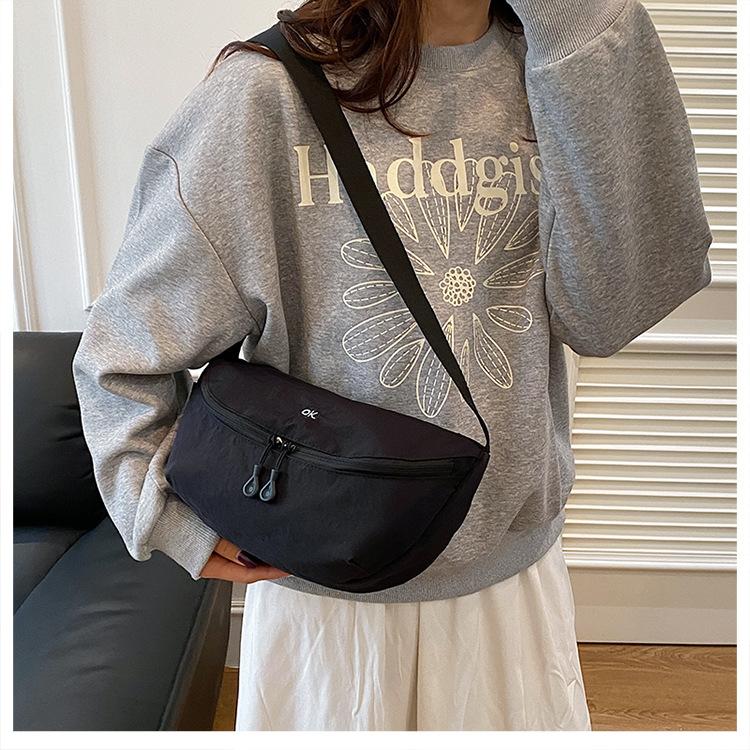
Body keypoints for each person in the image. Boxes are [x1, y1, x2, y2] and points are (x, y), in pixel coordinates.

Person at [72, 0, 712, 732]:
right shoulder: (265, 95)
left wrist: (584, 28)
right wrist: (164, 513)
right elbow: (122, 351)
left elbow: (607, 317)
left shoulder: (567, 62)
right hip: (330, 609)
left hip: (509, 588)